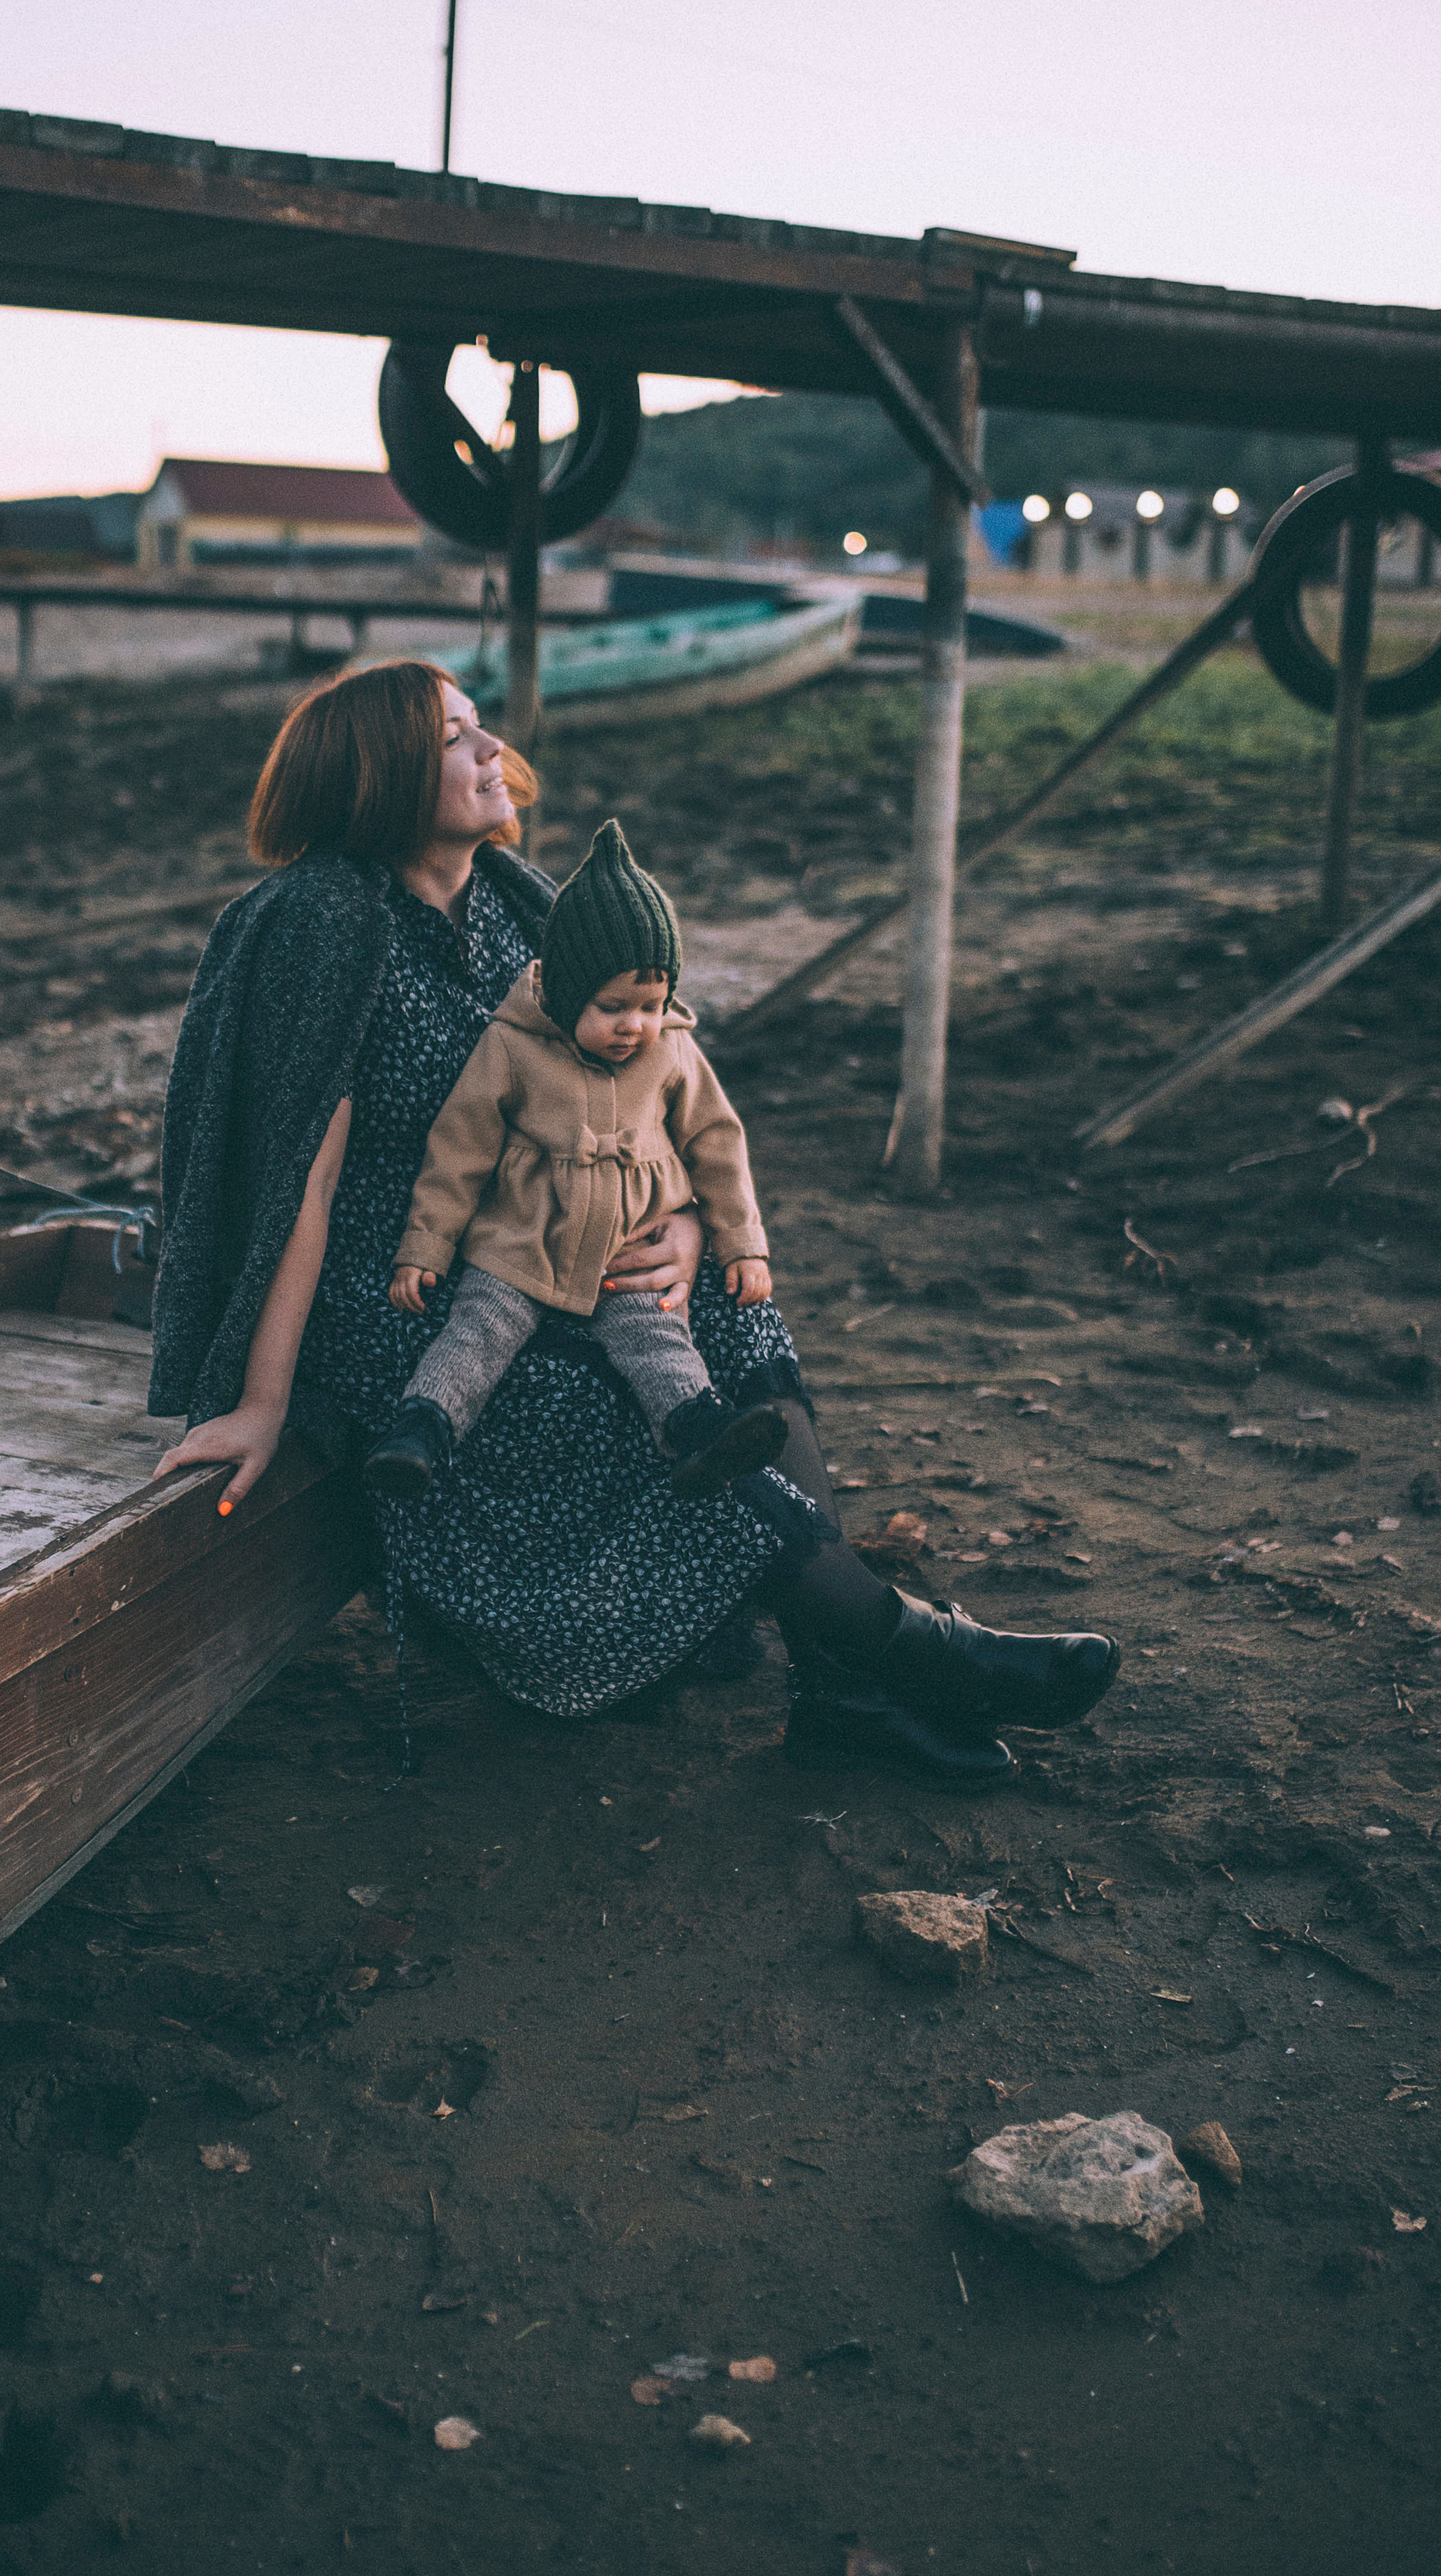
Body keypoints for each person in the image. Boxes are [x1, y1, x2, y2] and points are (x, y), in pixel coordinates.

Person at [149, 657, 1118, 1785]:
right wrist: (263, 1402)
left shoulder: (517, 906)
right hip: (402, 1291)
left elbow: (647, 1088)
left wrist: (689, 1222)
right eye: (454, 736)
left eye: (479, 726)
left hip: (559, 1237)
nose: (490, 751)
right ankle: (894, 1646)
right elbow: (295, 1188)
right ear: (380, 773)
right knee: (591, 1392)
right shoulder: (324, 924)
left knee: (724, 1313)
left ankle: (844, 1683)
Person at [364, 819, 794, 1507]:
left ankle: (699, 1433)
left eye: (651, 1005)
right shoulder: (513, 1046)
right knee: (478, 1329)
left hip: (625, 1251)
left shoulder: (671, 1050)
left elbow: (717, 1142)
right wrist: (426, 1246)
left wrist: (741, 1242)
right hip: (522, 1242)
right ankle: (421, 1431)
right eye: (612, 1006)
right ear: (565, 994)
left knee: (656, 1332)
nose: (634, 1025)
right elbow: (459, 1150)